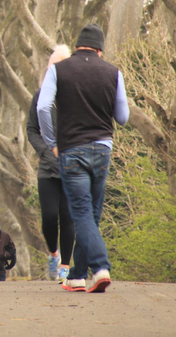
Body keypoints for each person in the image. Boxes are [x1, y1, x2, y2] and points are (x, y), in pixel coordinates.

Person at [38, 23, 129, 293]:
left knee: (82, 213)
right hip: (102, 148)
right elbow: (122, 118)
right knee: (91, 214)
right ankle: (77, 275)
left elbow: (43, 106)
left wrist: (52, 141)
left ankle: (100, 267)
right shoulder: (113, 72)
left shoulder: (58, 69)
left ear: (77, 46)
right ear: (100, 50)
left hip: (72, 150)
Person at [27, 44, 75, 281]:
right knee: (48, 217)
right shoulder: (40, 96)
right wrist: (47, 152)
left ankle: (65, 265)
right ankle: (53, 254)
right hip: (48, 167)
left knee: (68, 217)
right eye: (53, 66)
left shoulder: (77, 95)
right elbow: (31, 130)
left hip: (72, 166)